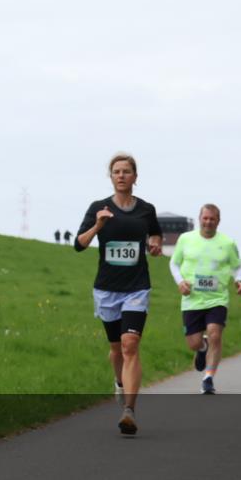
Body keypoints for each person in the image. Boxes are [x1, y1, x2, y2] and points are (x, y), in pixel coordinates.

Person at [75, 153, 162, 435]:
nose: (121, 175)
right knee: (116, 349)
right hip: (106, 288)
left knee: (130, 344)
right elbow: (79, 244)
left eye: (126, 171)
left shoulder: (146, 209)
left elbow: (155, 234)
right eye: (116, 171)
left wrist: (155, 244)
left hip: (137, 286)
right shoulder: (98, 207)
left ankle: (129, 411)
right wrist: (98, 225)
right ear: (110, 177)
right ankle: (120, 382)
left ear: (135, 176)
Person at [168, 204, 241, 394]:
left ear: (218, 221)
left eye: (212, 219)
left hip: (217, 298)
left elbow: (237, 266)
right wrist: (180, 282)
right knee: (193, 343)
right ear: (199, 219)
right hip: (192, 299)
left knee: (215, 334)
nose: (208, 222)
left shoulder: (227, 243)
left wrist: (239, 280)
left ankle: (208, 378)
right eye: (205, 218)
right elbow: (174, 263)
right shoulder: (186, 239)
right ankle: (202, 348)